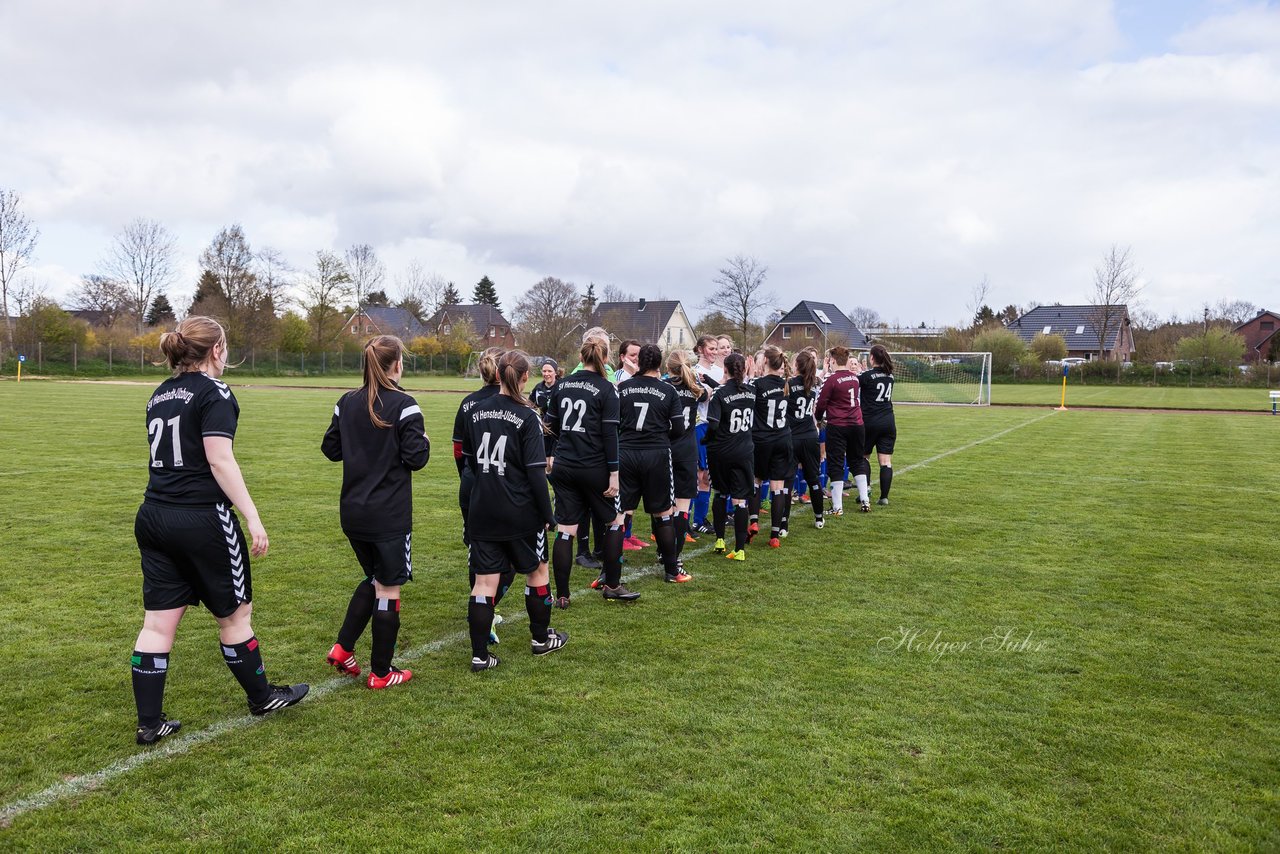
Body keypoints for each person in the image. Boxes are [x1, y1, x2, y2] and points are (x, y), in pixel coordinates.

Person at [130, 316, 307, 746]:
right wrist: (252, 516)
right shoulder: (216, 392)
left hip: (153, 514)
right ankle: (262, 697)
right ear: (216, 350)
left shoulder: (159, 394)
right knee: (234, 615)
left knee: (157, 624)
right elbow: (219, 459)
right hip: (201, 518)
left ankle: (149, 722)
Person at [321, 335, 429, 689]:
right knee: (388, 588)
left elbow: (331, 449)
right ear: (397, 364)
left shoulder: (346, 401)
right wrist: (420, 440)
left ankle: (343, 647)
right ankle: (382, 672)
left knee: (376, 579)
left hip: (353, 512)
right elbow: (417, 458)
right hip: (389, 515)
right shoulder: (405, 404)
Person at [461, 350, 566, 671]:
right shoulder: (528, 416)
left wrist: (468, 509)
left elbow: (469, 467)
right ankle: (540, 639)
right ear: (524, 378)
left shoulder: (475, 411)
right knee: (537, 572)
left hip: (483, 508)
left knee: (484, 583)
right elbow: (536, 473)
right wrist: (548, 515)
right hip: (520, 511)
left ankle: (480, 656)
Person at [547, 337, 638, 604]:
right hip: (594, 466)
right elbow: (610, 434)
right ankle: (612, 585)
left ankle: (562, 595)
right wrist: (614, 472)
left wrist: (548, 454)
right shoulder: (607, 388)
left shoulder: (562, 385)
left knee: (565, 529)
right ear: (607, 357)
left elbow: (548, 425)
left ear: (581, 355)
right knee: (615, 521)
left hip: (564, 465)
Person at [451, 348, 515, 642]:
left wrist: (467, 477)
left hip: (472, 484)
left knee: (477, 551)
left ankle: (480, 606)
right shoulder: (511, 402)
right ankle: (485, 610)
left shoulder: (468, 403)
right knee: (513, 556)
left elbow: (458, 450)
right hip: (502, 487)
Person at [618, 343, 689, 583]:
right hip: (656, 454)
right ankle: (672, 571)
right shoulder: (668, 391)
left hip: (626, 454)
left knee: (621, 513)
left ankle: (608, 572)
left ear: (638, 363)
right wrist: (659, 437)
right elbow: (679, 428)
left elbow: (611, 423)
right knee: (663, 513)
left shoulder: (622, 387)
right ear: (659, 365)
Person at [705, 352, 756, 560]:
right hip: (744, 450)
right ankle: (740, 549)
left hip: (721, 451)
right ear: (743, 370)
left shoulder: (719, 392)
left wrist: (706, 439)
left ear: (725, 369)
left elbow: (714, 424)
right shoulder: (752, 391)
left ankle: (719, 540)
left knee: (720, 493)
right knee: (740, 500)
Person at [665, 349, 705, 570]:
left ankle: (664, 552)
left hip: (667, 449)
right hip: (688, 451)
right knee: (682, 507)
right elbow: (708, 393)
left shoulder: (665, 389)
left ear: (669, 368)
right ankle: (675, 555)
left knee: (663, 506)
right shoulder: (695, 389)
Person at [815, 345, 867, 515]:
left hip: (838, 425)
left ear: (833, 361)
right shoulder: (855, 378)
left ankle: (837, 507)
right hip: (857, 424)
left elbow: (821, 403)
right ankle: (865, 500)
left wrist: (817, 417)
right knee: (857, 461)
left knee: (836, 464)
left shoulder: (831, 379)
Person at [751, 346, 793, 547]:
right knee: (778, 486)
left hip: (761, 439)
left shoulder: (757, 384)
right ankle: (775, 535)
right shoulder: (787, 384)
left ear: (765, 361)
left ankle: (753, 521)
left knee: (756, 480)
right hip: (783, 438)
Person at [786, 348, 824, 529]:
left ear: (797, 365)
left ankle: (783, 524)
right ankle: (819, 518)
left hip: (792, 436)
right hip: (810, 435)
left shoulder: (789, 383)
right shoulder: (814, 383)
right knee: (813, 479)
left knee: (786, 481)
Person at [689, 335, 723, 534]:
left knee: (708, 476)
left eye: (717, 348)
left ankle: (700, 520)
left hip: (715, 427)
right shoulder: (694, 372)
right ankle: (688, 518)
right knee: (697, 474)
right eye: (711, 348)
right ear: (700, 349)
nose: (715, 352)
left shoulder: (719, 371)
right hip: (700, 425)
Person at [858, 344, 897, 506]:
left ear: (872, 358)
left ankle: (865, 491)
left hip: (869, 422)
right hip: (888, 421)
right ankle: (884, 497)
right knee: (886, 461)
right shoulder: (890, 376)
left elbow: (854, 384)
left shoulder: (866, 376)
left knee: (864, 457)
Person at [532, 359, 559, 468]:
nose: (546, 374)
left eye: (549, 371)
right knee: (546, 465)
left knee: (553, 463)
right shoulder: (538, 388)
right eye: (544, 371)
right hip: (543, 429)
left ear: (555, 372)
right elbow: (530, 406)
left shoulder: (561, 387)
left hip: (558, 430)